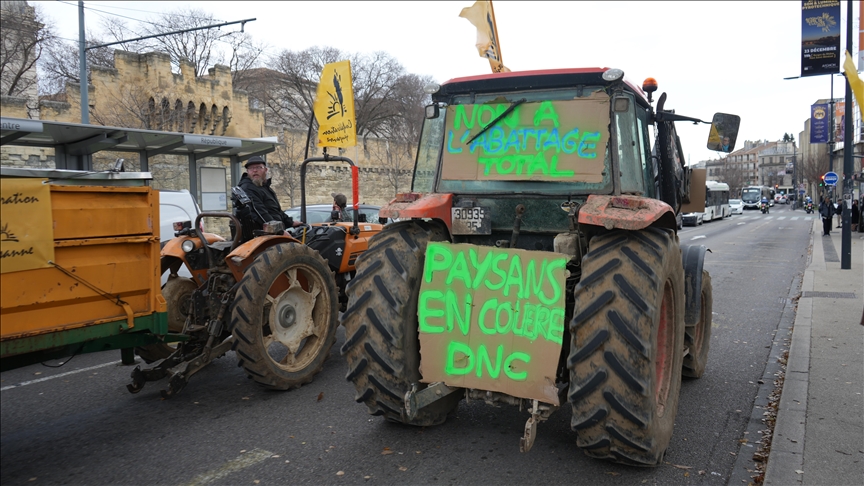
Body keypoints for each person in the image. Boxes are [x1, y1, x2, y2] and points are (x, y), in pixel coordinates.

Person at [236, 156, 303, 234]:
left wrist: (290, 222)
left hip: (272, 230)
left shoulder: (265, 187)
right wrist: (279, 231)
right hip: (262, 233)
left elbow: (275, 210)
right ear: (247, 172)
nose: (254, 170)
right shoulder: (247, 188)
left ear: (265, 170)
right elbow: (259, 212)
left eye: (258, 167)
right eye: (251, 168)